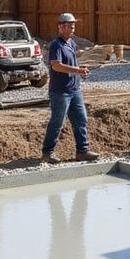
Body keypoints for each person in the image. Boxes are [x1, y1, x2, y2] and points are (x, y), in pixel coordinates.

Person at [42, 12, 99, 164]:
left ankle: (82, 151)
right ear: (61, 27)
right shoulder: (56, 45)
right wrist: (77, 71)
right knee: (57, 122)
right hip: (60, 92)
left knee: (81, 119)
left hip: (74, 89)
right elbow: (56, 66)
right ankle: (47, 152)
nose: (73, 28)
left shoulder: (71, 43)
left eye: (73, 25)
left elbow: (72, 64)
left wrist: (81, 69)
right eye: (70, 25)